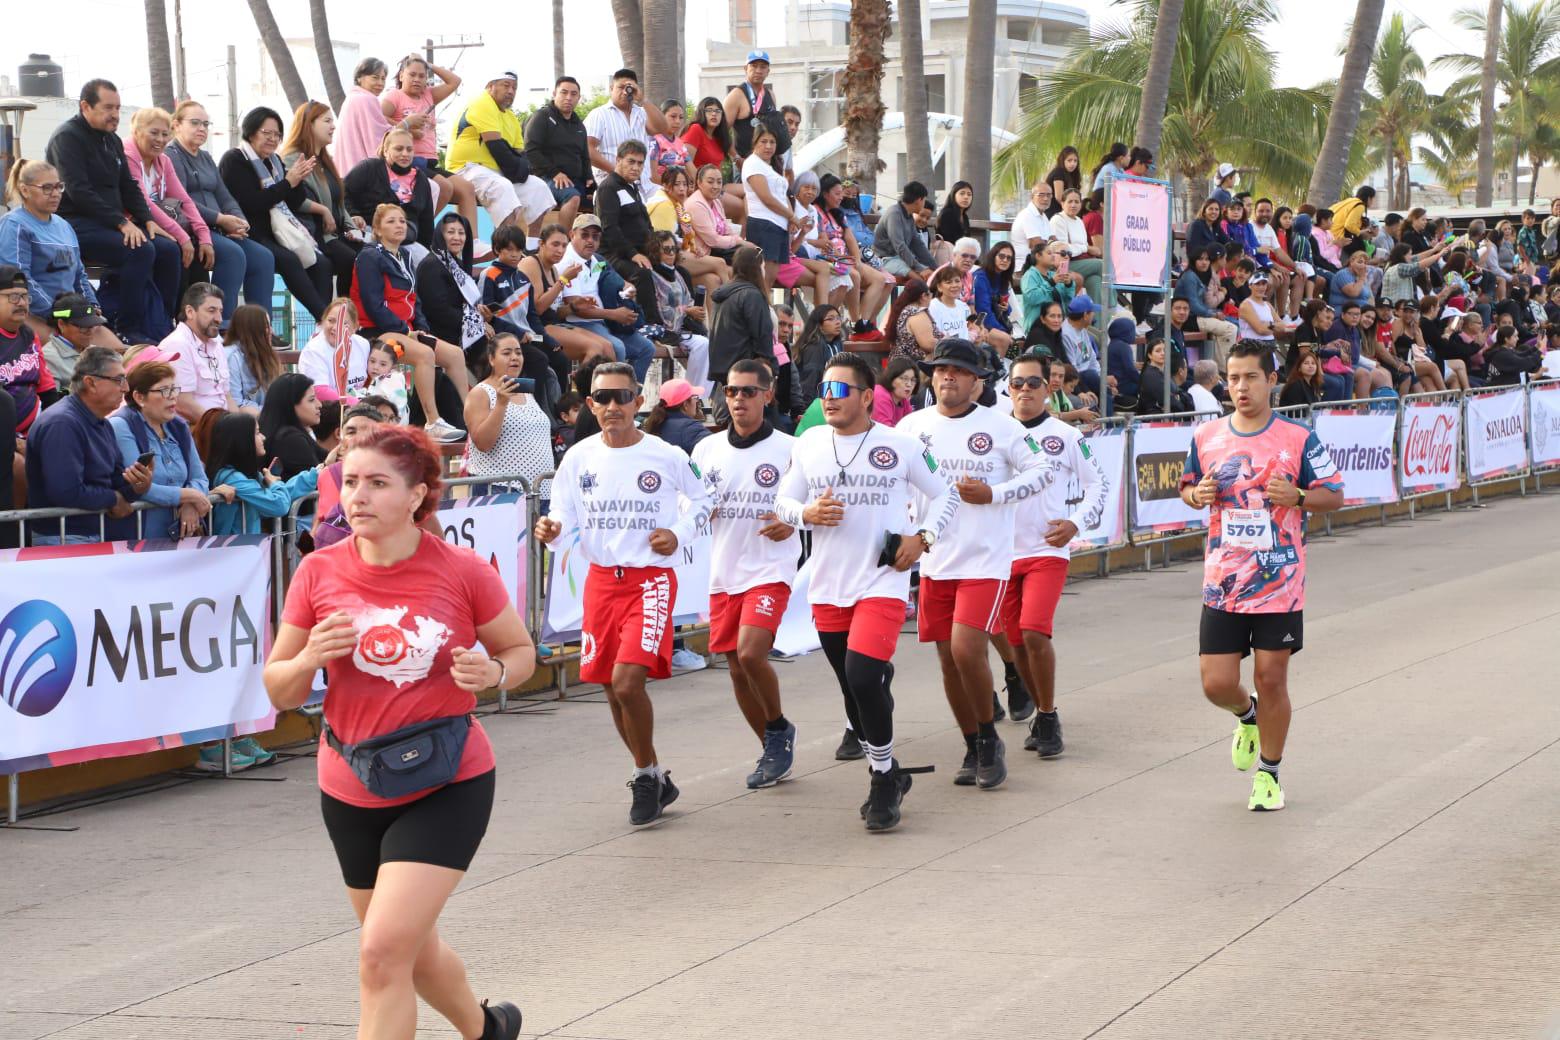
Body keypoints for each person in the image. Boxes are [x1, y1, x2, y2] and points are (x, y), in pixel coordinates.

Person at [265, 423, 533, 1040]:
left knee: (382, 953)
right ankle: (487, 1029)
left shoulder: (462, 570)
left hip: (447, 780)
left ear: (417, 495)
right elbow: (279, 689)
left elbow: (520, 651)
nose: (357, 496)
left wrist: (493, 672)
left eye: (378, 484)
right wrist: (308, 660)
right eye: (350, 481)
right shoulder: (318, 571)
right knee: (409, 949)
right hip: (350, 783)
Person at [772, 352, 959, 830]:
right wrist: (805, 514)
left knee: (860, 676)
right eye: (823, 390)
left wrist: (923, 539)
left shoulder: (901, 445)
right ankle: (890, 768)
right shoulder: (810, 443)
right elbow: (783, 501)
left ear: (866, 397)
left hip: (882, 579)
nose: (828, 399)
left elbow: (946, 494)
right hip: (828, 583)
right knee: (852, 688)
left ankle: (882, 777)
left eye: (839, 390)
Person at [534, 362, 714, 825]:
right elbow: (562, 517)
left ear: (638, 401)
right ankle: (649, 772)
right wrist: (551, 530)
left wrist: (678, 533)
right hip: (600, 582)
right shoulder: (579, 458)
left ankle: (645, 776)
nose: (612, 406)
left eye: (621, 397)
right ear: (590, 405)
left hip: (649, 581)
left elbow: (704, 500)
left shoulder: (666, 455)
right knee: (611, 689)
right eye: (602, 398)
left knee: (627, 682)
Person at [1180, 340, 1344, 812]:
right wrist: (1196, 495)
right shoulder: (1206, 436)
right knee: (1216, 684)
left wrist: (1298, 497)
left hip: (1279, 583)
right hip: (1224, 584)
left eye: (1251, 377)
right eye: (1233, 378)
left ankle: (1269, 774)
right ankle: (1246, 714)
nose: (1241, 387)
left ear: (1271, 380)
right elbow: (1187, 487)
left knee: (1272, 678)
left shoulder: (1299, 438)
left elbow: (1334, 495)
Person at [899, 339, 1053, 788]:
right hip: (935, 561)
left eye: (959, 371)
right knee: (948, 661)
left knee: (967, 649)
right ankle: (973, 742)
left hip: (985, 560)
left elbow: (1041, 471)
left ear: (976, 381)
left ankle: (988, 737)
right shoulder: (911, 427)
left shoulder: (1002, 426)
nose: (947, 376)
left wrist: (994, 494)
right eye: (940, 369)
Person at [688, 358, 801, 785]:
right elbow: (689, 501)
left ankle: (777, 729)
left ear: (767, 395)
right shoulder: (707, 449)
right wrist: (697, 512)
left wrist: (793, 521)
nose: (738, 399)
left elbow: (813, 504)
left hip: (771, 568)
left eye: (748, 392)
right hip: (724, 571)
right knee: (736, 668)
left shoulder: (791, 450)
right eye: (731, 391)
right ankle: (773, 743)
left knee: (752, 653)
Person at [999, 351, 1107, 757]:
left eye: (1033, 383)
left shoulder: (1066, 436)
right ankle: (1042, 709)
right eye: (1017, 383)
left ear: (1048, 388)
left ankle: (1047, 715)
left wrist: (1075, 523)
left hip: (1047, 549)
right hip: (1000, 554)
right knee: (1015, 643)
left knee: (1033, 630)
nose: (1024, 390)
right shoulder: (995, 432)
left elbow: (1097, 484)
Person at [47, 79, 181, 343]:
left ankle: (162, 324)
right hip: (75, 224)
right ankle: (126, 328)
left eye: (118, 108)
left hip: (109, 223)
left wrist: (147, 219)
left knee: (168, 249)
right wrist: (121, 222)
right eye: (108, 107)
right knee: (140, 250)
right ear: (86, 106)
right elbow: (78, 191)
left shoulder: (112, 140)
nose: (115, 114)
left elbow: (128, 185)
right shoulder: (67, 138)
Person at [25, 346, 152, 544]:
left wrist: (137, 485)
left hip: (90, 534)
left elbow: (113, 481)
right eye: (119, 379)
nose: (126, 388)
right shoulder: (62, 424)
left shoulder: (102, 423)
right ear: (91, 383)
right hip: (63, 539)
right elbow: (66, 491)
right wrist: (113, 499)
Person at [220, 106, 335, 319]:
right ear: (251, 132)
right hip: (250, 231)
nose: (273, 139)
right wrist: (288, 182)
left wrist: (297, 180)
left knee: (322, 264)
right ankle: (326, 318)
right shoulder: (235, 160)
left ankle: (323, 323)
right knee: (289, 260)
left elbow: (294, 201)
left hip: (281, 231)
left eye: (277, 134)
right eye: (267, 133)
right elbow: (252, 203)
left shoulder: (274, 162)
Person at [168, 102, 276, 323]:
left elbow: (224, 196)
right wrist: (220, 219)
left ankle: (260, 327)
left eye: (205, 124)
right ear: (177, 125)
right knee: (233, 254)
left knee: (263, 257)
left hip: (219, 227)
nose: (202, 128)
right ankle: (220, 325)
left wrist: (240, 222)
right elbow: (182, 200)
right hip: (193, 229)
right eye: (195, 123)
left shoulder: (206, 157)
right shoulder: (172, 155)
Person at [0, 160, 123, 351]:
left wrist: (91, 306)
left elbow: (79, 274)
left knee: (121, 354)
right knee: (70, 354)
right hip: (33, 314)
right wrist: (56, 314)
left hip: (70, 315)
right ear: (25, 190)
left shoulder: (64, 226)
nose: (56, 193)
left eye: (59, 187)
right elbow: (19, 279)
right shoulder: (15, 225)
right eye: (47, 188)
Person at [109, 356, 218, 540]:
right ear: (139, 397)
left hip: (181, 538)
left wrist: (190, 503)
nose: (173, 396)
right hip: (137, 538)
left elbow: (199, 478)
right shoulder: (121, 425)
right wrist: (188, 495)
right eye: (165, 390)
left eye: (174, 389)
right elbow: (138, 486)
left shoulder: (179, 426)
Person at [447, 70, 560, 237]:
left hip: (497, 172)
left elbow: (520, 153)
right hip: (466, 168)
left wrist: (522, 169)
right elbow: (497, 148)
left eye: (514, 87)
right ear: (490, 86)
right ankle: (505, 246)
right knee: (503, 187)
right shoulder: (482, 103)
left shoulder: (511, 117)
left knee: (539, 187)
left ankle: (532, 246)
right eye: (506, 85)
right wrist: (520, 169)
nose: (510, 91)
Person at [380, 54, 479, 228]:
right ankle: (416, 227)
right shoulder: (395, 96)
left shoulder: (428, 95)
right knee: (444, 187)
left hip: (430, 161)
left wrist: (428, 64)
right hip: (410, 160)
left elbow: (455, 81)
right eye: (412, 74)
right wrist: (407, 126)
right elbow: (378, 119)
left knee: (467, 188)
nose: (417, 79)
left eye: (422, 76)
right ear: (401, 75)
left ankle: (472, 240)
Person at [282, 100, 366, 299]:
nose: (333, 126)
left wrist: (351, 226)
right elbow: (293, 198)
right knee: (349, 259)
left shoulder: (325, 160)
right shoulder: (292, 159)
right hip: (315, 233)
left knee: (371, 253)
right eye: (327, 121)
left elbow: (338, 201)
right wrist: (323, 210)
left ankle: (355, 312)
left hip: (336, 232)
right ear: (309, 124)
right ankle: (343, 311)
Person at [558, 214, 658, 382]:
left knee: (646, 348)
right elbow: (577, 307)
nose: (590, 241)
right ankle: (612, 392)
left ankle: (631, 392)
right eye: (585, 235)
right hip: (580, 323)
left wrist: (628, 288)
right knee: (617, 347)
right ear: (572, 234)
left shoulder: (596, 260)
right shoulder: (567, 262)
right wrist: (614, 314)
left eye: (595, 237)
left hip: (603, 321)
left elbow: (617, 279)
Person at [123, 107, 214, 283]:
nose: (160, 139)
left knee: (197, 248)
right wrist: (182, 237)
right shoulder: (128, 156)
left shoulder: (163, 160)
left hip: (156, 223)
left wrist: (204, 236)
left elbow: (184, 200)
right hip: (131, 222)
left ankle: (199, 300)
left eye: (165, 134)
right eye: (154, 133)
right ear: (136, 131)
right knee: (175, 248)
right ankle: (175, 301)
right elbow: (144, 202)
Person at [462, 332, 555, 499]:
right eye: (506, 353)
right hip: (501, 490)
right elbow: (482, 442)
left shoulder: (526, 392)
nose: (514, 357)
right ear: (491, 359)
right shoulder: (481, 392)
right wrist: (501, 404)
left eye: (518, 353)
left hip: (540, 492)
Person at [205, 410, 319, 534]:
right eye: (257, 433)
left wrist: (316, 474)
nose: (263, 437)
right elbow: (279, 505)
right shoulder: (233, 479)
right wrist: (274, 484)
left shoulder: (246, 475)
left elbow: (282, 495)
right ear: (243, 440)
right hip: (234, 545)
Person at [520, 222, 614, 367]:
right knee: (595, 348)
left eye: (564, 246)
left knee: (607, 347)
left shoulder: (553, 270)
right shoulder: (531, 263)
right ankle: (582, 381)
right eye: (555, 244)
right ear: (541, 244)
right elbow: (538, 308)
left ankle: (607, 382)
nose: (560, 250)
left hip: (554, 325)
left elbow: (555, 312)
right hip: (535, 331)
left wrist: (574, 307)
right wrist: (563, 280)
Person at [343, 128, 436, 252]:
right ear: (386, 151)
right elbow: (343, 192)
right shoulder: (369, 168)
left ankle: (373, 239)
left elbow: (426, 222)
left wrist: (427, 251)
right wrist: (353, 214)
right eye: (399, 149)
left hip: (406, 236)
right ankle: (372, 238)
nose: (405, 154)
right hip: (369, 228)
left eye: (409, 149)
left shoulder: (421, 179)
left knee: (424, 257)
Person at [594, 140, 661, 311]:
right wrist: (633, 254)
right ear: (618, 160)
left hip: (638, 251)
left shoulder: (632, 188)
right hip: (612, 255)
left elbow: (647, 225)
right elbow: (610, 229)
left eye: (640, 163)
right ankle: (651, 322)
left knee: (673, 266)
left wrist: (657, 248)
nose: (636, 167)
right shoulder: (608, 188)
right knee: (642, 273)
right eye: (631, 161)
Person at [646, 231, 714, 394]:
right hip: (665, 330)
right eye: (666, 249)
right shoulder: (650, 275)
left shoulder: (681, 273)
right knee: (702, 344)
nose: (671, 253)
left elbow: (689, 299)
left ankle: (698, 396)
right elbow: (660, 308)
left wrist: (694, 311)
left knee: (710, 345)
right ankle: (691, 394)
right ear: (656, 251)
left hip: (686, 328)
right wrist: (687, 311)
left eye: (673, 249)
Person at [586, 68, 672, 195]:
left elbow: (663, 129)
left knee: (672, 202)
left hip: (646, 185)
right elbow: (588, 149)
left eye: (629, 88)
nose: (624, 92)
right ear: (611, 88)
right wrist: (617, 172)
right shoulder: (599, 114)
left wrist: (643, 100)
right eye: (620, 87)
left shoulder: (642, 113)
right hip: (613, 185)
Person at [161, 282, 236, 423]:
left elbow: (227, 396)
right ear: (190, 312)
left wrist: (241, 425)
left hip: (222, 424)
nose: (219, 319)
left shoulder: (216, 343)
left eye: (220, 311)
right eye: (211, 311)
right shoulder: (177, 345)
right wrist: (224, 427)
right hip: (197, 428)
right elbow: (183, 404)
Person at [524, 76, 593, 228]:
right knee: (572, 197)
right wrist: (555, 173)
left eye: (573, 94)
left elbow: (584, 156)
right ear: (554, 94)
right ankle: (564, 239)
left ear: (579, 98)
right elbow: (530, 150)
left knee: (604, 197)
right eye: (564, 92)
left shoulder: (579, 125)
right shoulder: (542, 117)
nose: (568, 97)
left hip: (574, 180)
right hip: (546, 178)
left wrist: (590, 180)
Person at [0, 267, 61, 437]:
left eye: (25, 297)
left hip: (35, 429)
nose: (21, 303)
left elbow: (47, 388)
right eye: (13, 297)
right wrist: (14, 440)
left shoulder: (29, 335)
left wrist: (52, 430)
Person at [708, 245, 777, 389]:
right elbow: (762, 337)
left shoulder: (723, 295)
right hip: (747, 375)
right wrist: (773, 369)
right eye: (763, 267)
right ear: (757, 268)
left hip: (724, 374)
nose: (764, 271)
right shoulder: (752, 296)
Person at [740, 127, 796, 288]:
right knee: (763, 278)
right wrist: (792, 216)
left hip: (779, 226)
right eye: (763, 141)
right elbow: (767, 198)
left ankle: (765, 303)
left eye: (772, 142)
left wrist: (790, 218)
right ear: (755, 143)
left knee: (770, 278)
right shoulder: (752, 163)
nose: (768, 146)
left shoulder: (770, 166)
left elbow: (782, 195)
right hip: (764, 225)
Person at [1173, 246, 1237, 371]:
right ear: (1193, 261)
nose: (1204, 262)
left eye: (1207, 259)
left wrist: (1215, 312)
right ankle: (1223, 370)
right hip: (1187, 318)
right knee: (1230, 329)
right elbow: (1194, 306)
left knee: (1232, 324)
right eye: (1200, 259)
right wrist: (1213, 314)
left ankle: (1216, 369)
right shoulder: (1190, 276)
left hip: (1197, 316)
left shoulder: (1200, 275)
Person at [259, 372, 326, 482]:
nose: (319, 404)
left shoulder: (288, 433)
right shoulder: (289, 439)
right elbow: (321, 481)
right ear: (290, 405)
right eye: (311, 400)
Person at [724, 51, 790, 162]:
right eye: (754, 66)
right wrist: (736, 158)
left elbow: (774, 129)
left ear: (768, 71)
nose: (758, 71)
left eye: (763, 67)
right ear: (745, 68)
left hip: (769, 161)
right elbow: (722, 132)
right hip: (745, 161)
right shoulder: (736, 95)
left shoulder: (770, 94)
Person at [39, 292, 108, 386]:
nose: (89, 332)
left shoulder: (97, 352)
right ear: (61, 324)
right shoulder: (48, 358)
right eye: (83, 327)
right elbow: (53, 395)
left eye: (91, 325)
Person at [1049, 188, 1103, 306]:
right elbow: (1064, 251)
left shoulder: (1079, 221)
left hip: (1081, 262)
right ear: (1062, 203)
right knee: (1102, 265)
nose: (1073, 205)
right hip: (1063, 265)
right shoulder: (1058, 220)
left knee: (1095, 281)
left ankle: (1099, 317)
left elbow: (1082, 246)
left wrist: (1083, 247)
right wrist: (1086, 248)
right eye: (1070, 201)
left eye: (1077, 202)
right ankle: (1114, 307)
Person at [224, 303, 283, 411]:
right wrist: (273, 413)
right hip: (247, 419)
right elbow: (236, 404)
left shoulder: (268, 356)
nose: (271, 331)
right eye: (266, 326)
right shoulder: (232, 357)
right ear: (252, 329)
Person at [874, 181, 937, 281]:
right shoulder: (894, 214)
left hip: (899, 259)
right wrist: (920, 268)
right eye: (924, 200)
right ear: (919, 200)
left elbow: (918, 245)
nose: (924, 203)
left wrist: (936, 268)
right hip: (884, 260)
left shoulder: (909, 216)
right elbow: (900, 246)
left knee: (932, 275)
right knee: (920, 279)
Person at [791, 304, 846, 409]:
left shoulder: (837, 344)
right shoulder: (815, 347)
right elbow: (810, 382)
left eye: (838, 318)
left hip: (832, 401)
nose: (838, 322)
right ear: (819, 325)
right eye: (830, 319)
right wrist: (807, 410)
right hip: (814, 405)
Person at [688, 164, 744, 262]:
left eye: (719, 182)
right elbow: (713, 241)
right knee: (748, 256)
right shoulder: (695, 204)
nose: (715, 186)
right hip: (702, 253)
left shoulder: (716, 202)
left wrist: (740, 241)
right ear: (699, 183)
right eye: (710, 182)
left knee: (752, 253)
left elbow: (727, 230)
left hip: (718, 249)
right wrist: (738, 241)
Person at [641, 377, 710, 455]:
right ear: (685, 404)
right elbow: (715, 449)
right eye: (695, 397)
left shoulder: (654, 424)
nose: (697, 401)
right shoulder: (690, 428)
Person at [972, 242, 1016, 353]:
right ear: (993, 256)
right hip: (979, 322)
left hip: (996, 321)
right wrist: (1002, 331)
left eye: (1009, 258)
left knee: (1018, 345)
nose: (1005, 260)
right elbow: (983, 310)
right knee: (1006, 340)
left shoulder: (1003, 277)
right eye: (1001, 256)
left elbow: (1006, 309)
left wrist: (1006, 308)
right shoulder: (981, 277)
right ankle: (998, 364)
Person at [1061, 294, 1104, 396]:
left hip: (1088, 375)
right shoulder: (1066, 334)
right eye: (1092, 312)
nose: (1094, 314)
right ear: (1085, 315)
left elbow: (1091, 358)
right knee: (1093, 377)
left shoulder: (1082, 328)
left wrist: (1101, 378)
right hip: (1078, 380)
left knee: (1101, 376)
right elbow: (1073, 369)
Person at [1135, 338, 1191, 416]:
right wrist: (1179, 402)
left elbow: (1179, 392)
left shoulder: (1164, 372)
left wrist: (1179, 398)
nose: (1163, 353)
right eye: (1158, 351)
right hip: (1155, 419)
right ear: (1150, 355)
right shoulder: (1151, 375)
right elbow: (1168, 401)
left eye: (1165, 350)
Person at [1010, 182, 1055, 268]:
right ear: (1032, 197)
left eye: (1048, 195)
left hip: (1042, 263)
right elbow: (1037, 245)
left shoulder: (1043, 216)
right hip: (1025, 266)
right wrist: (1056, 252)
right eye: (1041, 195)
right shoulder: (1027, 215)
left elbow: (1052, 239)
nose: (1045, 198)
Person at [927, 266, 972, 340]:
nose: (954, 285)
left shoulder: (964, 307)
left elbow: (968, 332)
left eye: (957, 281)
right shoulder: (932, 307)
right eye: (949, 282)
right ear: (939, 287)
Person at [936, 181, 974, 256]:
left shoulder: (964, 216)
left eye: (969, 194)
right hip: (948, 255)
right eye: (962, 193)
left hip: (961, 255)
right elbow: (949, 240)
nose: (966, 197)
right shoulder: (947, 214)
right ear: (953, 195)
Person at [1044, 148, 1081, 218]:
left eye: (1075, 161)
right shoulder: (1059, 172)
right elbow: (1059, 197)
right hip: (1054, 213)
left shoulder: (1072, 175)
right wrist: (1071, 211)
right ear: (1062, 160)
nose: (1073, 163)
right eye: (1069, 160)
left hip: (1062, 211)